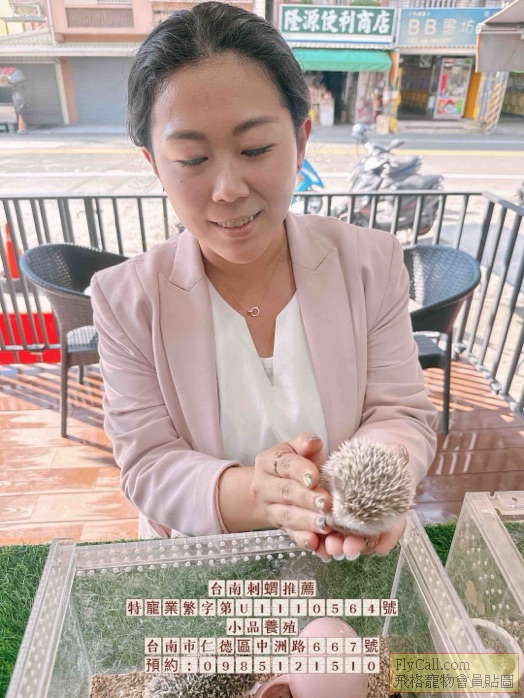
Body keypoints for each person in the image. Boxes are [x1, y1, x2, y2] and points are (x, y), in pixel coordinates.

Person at [91, 2, 438, 562]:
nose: (227, 189)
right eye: (192, 159)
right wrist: (264, 496)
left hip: (341, 552)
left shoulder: (370, 263)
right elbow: (149, 463)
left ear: (301, 141)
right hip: (203, 563)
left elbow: (399, 413)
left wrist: (366, 490)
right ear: (155, 165)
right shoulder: (127, 300)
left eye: (255, 149)